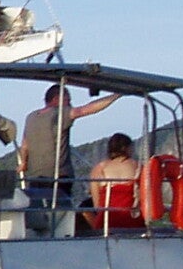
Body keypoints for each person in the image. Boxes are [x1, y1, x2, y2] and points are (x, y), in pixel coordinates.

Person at [19, 84, 120, 233]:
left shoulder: (31, 117)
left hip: (35, 179)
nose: (70, 103)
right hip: (58, 177)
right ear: (56, 99)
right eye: (68, 100)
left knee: (41, 218)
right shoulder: (59, 114)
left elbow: (24, 145)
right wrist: (115, 95)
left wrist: (24, 163)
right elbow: (85, 110)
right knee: (60, 219)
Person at [85, 132, 144, 233]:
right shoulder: (138, 167)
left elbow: (97, 205)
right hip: (133, 220)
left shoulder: (99, 169)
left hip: (106, 221)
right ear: (127, 148)